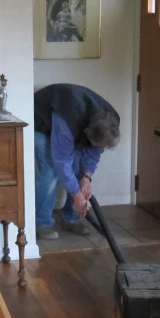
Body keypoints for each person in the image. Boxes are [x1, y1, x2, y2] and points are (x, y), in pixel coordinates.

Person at [33, 84, 120, 240]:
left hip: (74, 119)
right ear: (86, 133)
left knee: (79, 168)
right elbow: (61, 160)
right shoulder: (68, 121)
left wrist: (87, 177)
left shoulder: (110, 121)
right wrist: (77, 194)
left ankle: (71, 218)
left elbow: (94, 152)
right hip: (39, 120)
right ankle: (41, 223)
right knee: (50, 167)